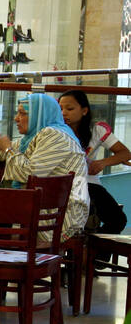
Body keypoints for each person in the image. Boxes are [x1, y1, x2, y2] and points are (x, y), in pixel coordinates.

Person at [0, 93, 90, 241]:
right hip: (37, 209)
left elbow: (29, 173)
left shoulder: (56, 136)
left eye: (22, 113)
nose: (16, 118)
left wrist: (8, 150)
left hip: (59, 219)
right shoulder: (33, 137)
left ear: (39, 114)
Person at [58, 89, 128, 233]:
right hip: (63, 184)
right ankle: (88, 251)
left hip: (89, 184)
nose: (64, 113)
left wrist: (103, 162)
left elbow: (125, 153)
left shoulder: (97, 130)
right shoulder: (54, 131)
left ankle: (95, 254)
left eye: (69, 108)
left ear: (84, 111)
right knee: (81, 222)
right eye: (60, 109)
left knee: (118, 220)